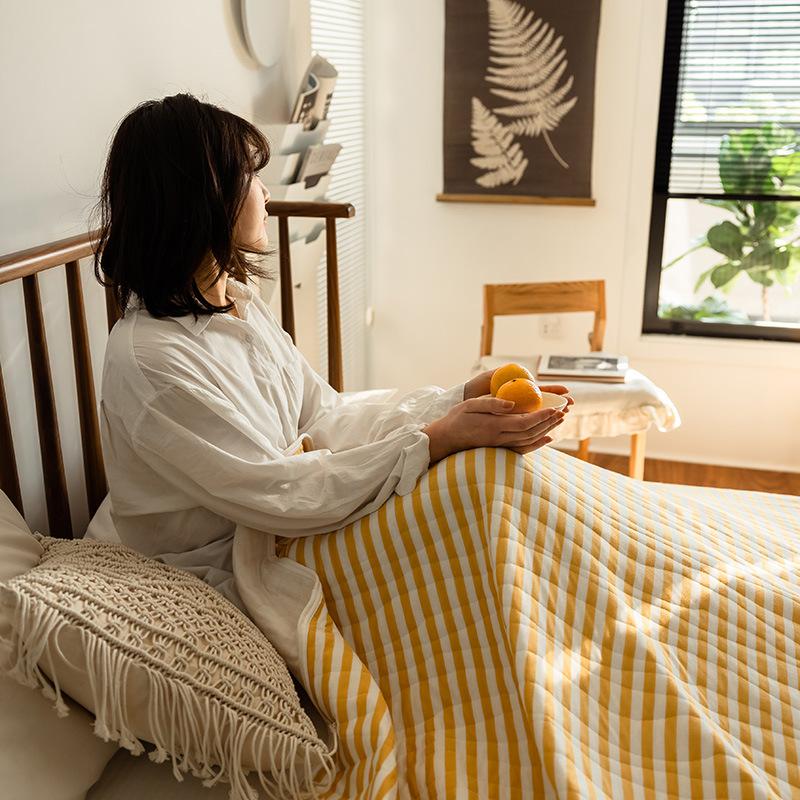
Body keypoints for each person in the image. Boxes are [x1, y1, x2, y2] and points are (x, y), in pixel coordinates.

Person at [95, 93, 571, 606]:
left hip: (281, 525)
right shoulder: (153, 361)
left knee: (487, 480)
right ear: (202, 199)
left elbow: (323, 414)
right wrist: (433, 442)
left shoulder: (236, 305)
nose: (264, 194)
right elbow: (276, 492)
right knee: (475, 503)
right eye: (250, 178)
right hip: (238, 565)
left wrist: (453, 402)